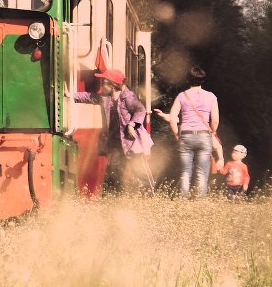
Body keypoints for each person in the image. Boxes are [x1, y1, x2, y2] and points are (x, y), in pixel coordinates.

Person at [75, 68, 150, 192]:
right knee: (115, 170)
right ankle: (118, 199)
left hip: (130, 141)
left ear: (112, 85)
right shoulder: (106, 98)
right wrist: (71, 95)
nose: (101, 85)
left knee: (139, 170)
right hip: (116, 142)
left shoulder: (128, 97)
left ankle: (149, 196)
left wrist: (132, 125)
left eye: (103, 82)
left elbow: (140, 110)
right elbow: (89, 96)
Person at [155, 67, 222, 198]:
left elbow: (173, 118)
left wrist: (177, 135)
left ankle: (184, 199)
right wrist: (212, 132)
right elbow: (215, 120)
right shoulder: (211, 97)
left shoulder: (182, 96)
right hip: (204, 135)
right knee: (202, 172)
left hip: (185, 135)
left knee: (186, 171)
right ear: (203, 80)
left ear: (188, 79)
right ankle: (200, 200)